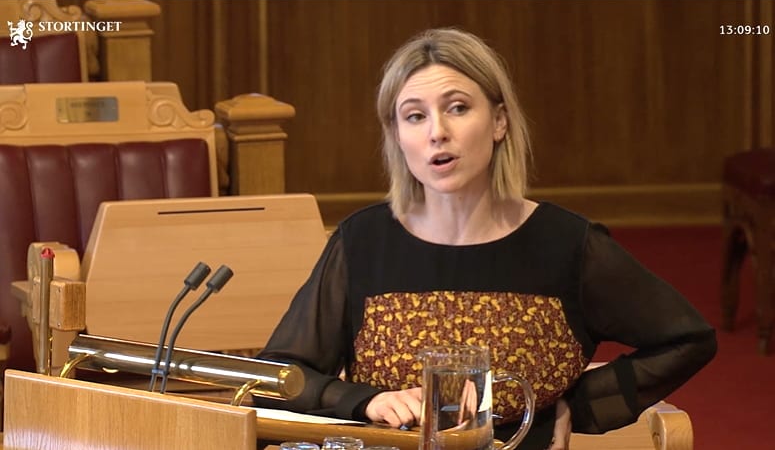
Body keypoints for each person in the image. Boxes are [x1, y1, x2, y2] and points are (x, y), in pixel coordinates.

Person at [254, 28, 717, 450]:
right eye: (414, 116)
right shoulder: (362, 241)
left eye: (457, 108)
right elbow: (278, 377)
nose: (437, 132)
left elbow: (687, 340)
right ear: (396, 135)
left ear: (499, 122)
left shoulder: (568, 244)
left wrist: (578, 404)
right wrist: (365, 401)